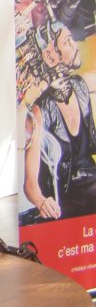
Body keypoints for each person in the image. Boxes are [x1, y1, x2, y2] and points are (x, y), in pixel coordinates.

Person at [22, 18, 96, 221]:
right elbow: (30, 184)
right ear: (50, 57)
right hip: (65, 198)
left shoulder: (80, 86)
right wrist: (42, 202)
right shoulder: (38, 112)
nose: (75, 46)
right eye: (67, 42)